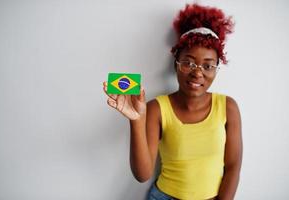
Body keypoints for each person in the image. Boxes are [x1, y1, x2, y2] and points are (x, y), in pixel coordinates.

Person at [103, 3, 242, 200]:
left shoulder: (228, 107)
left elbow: (234, 167)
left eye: (208, 65)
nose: (197, 72)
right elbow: (142, 175)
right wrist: (136, 120)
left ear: (216, 68)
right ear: (176, 62)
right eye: (188, 62)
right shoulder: (157, 108)